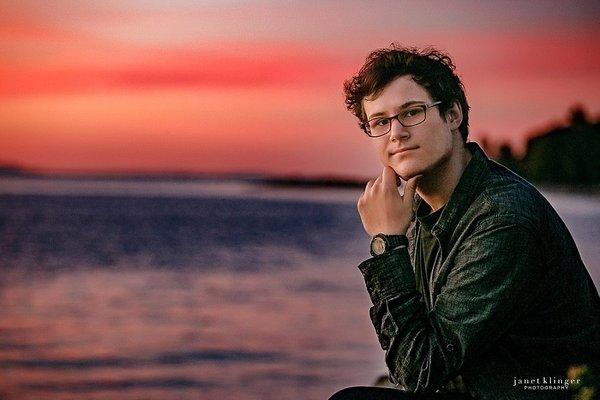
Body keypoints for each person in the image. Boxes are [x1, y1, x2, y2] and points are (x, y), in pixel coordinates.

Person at [328, 45, 600, 400]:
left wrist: (385, 243)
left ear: (453, 114)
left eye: (411, 112)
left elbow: (421, 370)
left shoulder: (503, 219)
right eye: (380, 122)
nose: (395, 133)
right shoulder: (421, 212)